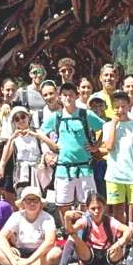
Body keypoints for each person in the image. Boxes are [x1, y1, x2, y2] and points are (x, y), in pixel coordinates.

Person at [40, 82, 103, 214]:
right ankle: (67, 227)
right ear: (60, 97)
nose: (68, 98)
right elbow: (40, 133)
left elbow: (105, 127)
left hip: (85, 168)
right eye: (65, 95)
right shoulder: (56, 116)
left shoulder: (85, 114)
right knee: (63, 206)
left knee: (88, 205)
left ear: (76, 96)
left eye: (71, 95)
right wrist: (51, 146)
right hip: (63, 168)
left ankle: (85, 226)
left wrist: (96, 146)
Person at [56, 191, 133, 265]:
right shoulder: (85, 220)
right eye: (93, 209)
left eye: (99, 208)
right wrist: (67, 218)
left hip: (109, 255)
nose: (96, 211)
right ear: (87, 208)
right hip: (90, 256)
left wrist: (120, 243)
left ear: (104, 207)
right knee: (72, 236)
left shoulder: (110, 221)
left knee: (127, 239)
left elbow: (128, 230)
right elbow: (70, 231)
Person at [0, 186, 60, 265]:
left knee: (56, 253)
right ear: (23, 203)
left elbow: (50, 241)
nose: (32, 203)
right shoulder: (16, 216)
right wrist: (12, 259)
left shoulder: (48, 218)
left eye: (35, 200)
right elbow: (1, 237)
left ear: (40, 203)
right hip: (20, 252)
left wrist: (28, 261)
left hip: (40, 253)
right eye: (28, 200)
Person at [102, 90, 133, 226]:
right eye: (117, 107)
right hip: (115, 175)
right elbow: (109, 147)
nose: (120, 110)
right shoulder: (107, 126)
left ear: (128, 106)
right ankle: (121, 237)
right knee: (118, 210)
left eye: (123, 106)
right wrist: (114, 125)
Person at [0, 106, 46, 195]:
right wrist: (1, 167)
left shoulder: (37, 132)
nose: (21, 121)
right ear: (14, 122)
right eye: (17, 119)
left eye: (23, 117)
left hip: (38, 171)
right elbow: (6, 154)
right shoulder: (14, 137)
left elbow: (47, 146)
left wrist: (37, 135)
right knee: (22, 196)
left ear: (28, 117)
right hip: (22, 173)